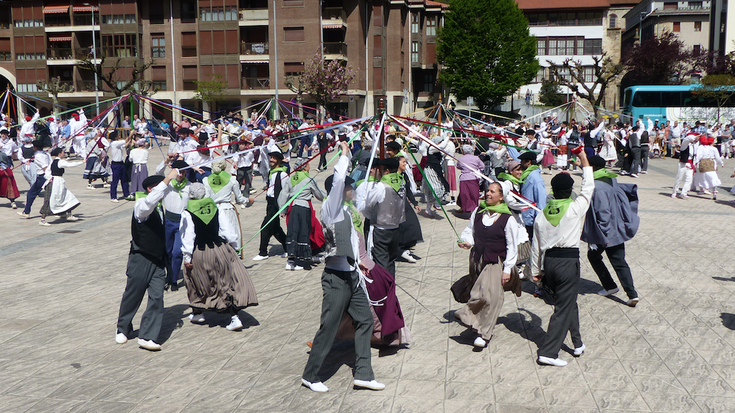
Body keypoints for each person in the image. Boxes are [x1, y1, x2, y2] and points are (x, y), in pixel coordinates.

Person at [301, 141, 385, 393]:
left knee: (365, 320)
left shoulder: (347, 212)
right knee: (329, 325)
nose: (351, 188)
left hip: (352, 275)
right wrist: (345, 156)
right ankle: (311, 374)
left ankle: (363, 373)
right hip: (336, 278)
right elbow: (338, 182)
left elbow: (349, 241)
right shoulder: (331, 208)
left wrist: (359, 260)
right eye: (349, 186)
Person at [530, 149, 593, 367]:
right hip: (567, 262)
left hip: (549, 262)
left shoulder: (541, 214)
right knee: (563, 307)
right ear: (569, 191)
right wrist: (584, 161)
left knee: (568, 302)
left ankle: (577, 343)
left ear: (553, 191)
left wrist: (535, 272)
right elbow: (589, 187)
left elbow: (535, 247)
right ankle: (548, 352)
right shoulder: (575, 208)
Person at [115, 168, 180, 351]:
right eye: (161, 187)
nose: (165, 190)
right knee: (133, 295)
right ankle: (123, 327)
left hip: (158, 260)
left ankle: (147, 335)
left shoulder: (161, 208)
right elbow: (150, 202)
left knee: (157, 298)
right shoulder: (142, 206)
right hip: (141, 257)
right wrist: (167, 178)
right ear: (151, 189)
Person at [180, 183, 258, 331]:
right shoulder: (216, 207)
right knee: (225, 281)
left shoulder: (187, 211)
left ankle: (199, 311)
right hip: (219, 248)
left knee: (195, 280)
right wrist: (234, 247)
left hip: (200, 252)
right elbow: (227, 230)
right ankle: (232, 316)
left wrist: (187, 257)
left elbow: (188, 236)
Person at [456, 182, 523, 348]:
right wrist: (467, 242)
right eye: (487, 190)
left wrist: (507, 269)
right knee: (478, 293)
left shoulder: (508, 219)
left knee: (491, 297)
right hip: (477, 260)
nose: (488, 194)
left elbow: (512, 247)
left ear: (501, 196)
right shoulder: (478, 212)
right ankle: (475, 322)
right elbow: (470, 231)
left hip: (495, 261)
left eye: (492, 191)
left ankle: (484, 334)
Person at [582, 155, 640, 307]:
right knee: (619, 261)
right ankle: (632, 294)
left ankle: (610, 286)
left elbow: (603, 213)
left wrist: (599, 236)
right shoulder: (610, 179)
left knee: (593, 256)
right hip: (617, 228)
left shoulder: (597, 186)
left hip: (606, 232)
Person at [357, 157, 407, 277]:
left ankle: (383, 288)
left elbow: (368, 204)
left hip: (381, 229)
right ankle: (390, 285)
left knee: (380, 261)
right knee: (390, 261)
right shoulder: (401, 183)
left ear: (386, 171)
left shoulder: (381, 187)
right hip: (396, 227)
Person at [278, 158, 325, 270]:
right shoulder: (309, 179)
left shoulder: (290, 179)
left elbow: (283, 195)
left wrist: (282, 210)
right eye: (308, 165)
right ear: (304, 167)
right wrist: (328, 198)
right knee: (304, 232)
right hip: (304, 207)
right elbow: (319, 194)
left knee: (293, 232)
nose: (309, 167)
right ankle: (303, 257)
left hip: (292, 207)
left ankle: (291, 260)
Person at [203, 159, 250, 253]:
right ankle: (234, 255)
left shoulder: (206, 180)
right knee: (232, 234)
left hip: (213, 210)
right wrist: (248, 200)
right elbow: (239, 199)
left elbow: (206, 198)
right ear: (224, 167)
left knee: (216, 235)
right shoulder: (231, 180)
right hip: (227, 209)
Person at [253, 151, 288, 261]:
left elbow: (286, 192)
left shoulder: (282, 174)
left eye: (273, 158)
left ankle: (263, 252)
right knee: (275, 229)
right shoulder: (271, 172)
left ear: (278, 160)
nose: (271, 160)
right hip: (269, 202)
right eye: (271, 158)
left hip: (276, 204)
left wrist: (283, 208)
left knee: (265, 227)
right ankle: (289, 247)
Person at [38, 148, 82, 226]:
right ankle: (42, 219)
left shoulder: (52, 162)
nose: (64, 153)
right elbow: (70, 164)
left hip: (55, 181)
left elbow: (46, 173)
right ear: (59, 153)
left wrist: (49, 177)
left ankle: (68, 214)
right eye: (63, 152)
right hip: (56, 183)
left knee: (67, 196)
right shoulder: (60, 162)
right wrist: (82, 162)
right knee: (50, 200)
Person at [17, 141, 51, 219]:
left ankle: (26, 212)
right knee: (52, 193)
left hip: (43, 177)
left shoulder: (39, 156)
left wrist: (49, 177)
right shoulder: (45, 154)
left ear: (35, 147)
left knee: (31, 193)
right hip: (45, 176)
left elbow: (45, 167)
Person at [518, 151, 547, 239]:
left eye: (522, 161)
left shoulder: (535, 178)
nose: (520, 164)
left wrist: (539, 220)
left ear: (528, 162)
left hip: (531, 219)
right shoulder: (527, 175)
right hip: (525, 216)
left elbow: (541, 200)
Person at [456, 144, 485, 214]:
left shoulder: (461, 158)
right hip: (473, 178)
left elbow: (458, 166)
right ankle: (469, 209)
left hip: (464, 178)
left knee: (465, 194)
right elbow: (482, 166)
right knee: (473, 194)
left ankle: (470, 210)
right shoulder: (476, 158)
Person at [671, 132, 698, 199]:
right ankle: (675, 192)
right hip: (683, 163)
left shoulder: (694, 145)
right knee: (679, 178)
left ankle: (684, 192)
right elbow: (688, 138)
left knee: (689, 179)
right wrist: (695, 136)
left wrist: (695, 163)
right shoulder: (685, 144)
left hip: (690, 163)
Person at [108, 131, 131, 202]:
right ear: (115, 137)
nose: (119, 136)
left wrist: (131, 140)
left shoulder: (117, 143)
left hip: (121, 163)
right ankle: (113, 197)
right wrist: (130, 134)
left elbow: (125, 145)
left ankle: (126, 193)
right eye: (117, 135)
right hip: (116, 164)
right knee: (115, 181)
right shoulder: (114, 143)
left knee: (124, 179)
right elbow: (125, 141)